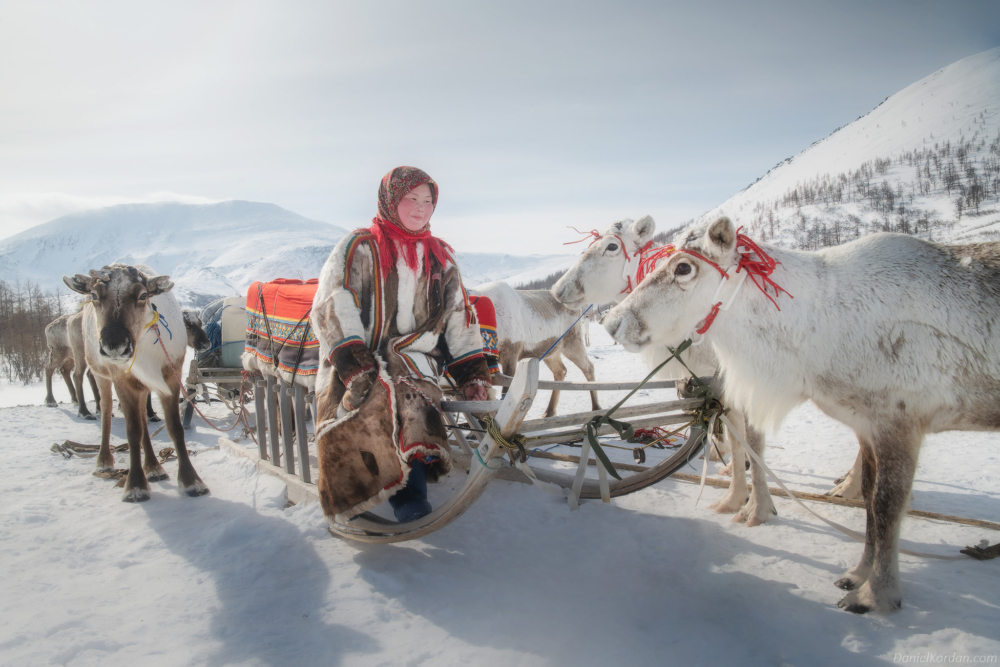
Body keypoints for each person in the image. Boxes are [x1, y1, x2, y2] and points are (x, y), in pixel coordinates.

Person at [310, 166, 491, 524]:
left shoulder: (440, 257)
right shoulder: (359, 247)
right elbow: (333, 302)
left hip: (417, 358)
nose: (421, 208)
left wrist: (472, 371)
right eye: (411, 199)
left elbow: (459, 316)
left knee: (414, 394)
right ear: (391, 201)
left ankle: (411, 491)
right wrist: (355, 362)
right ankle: (362, 487)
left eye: (427, 201)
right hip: (360, 355)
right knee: (374, 395)